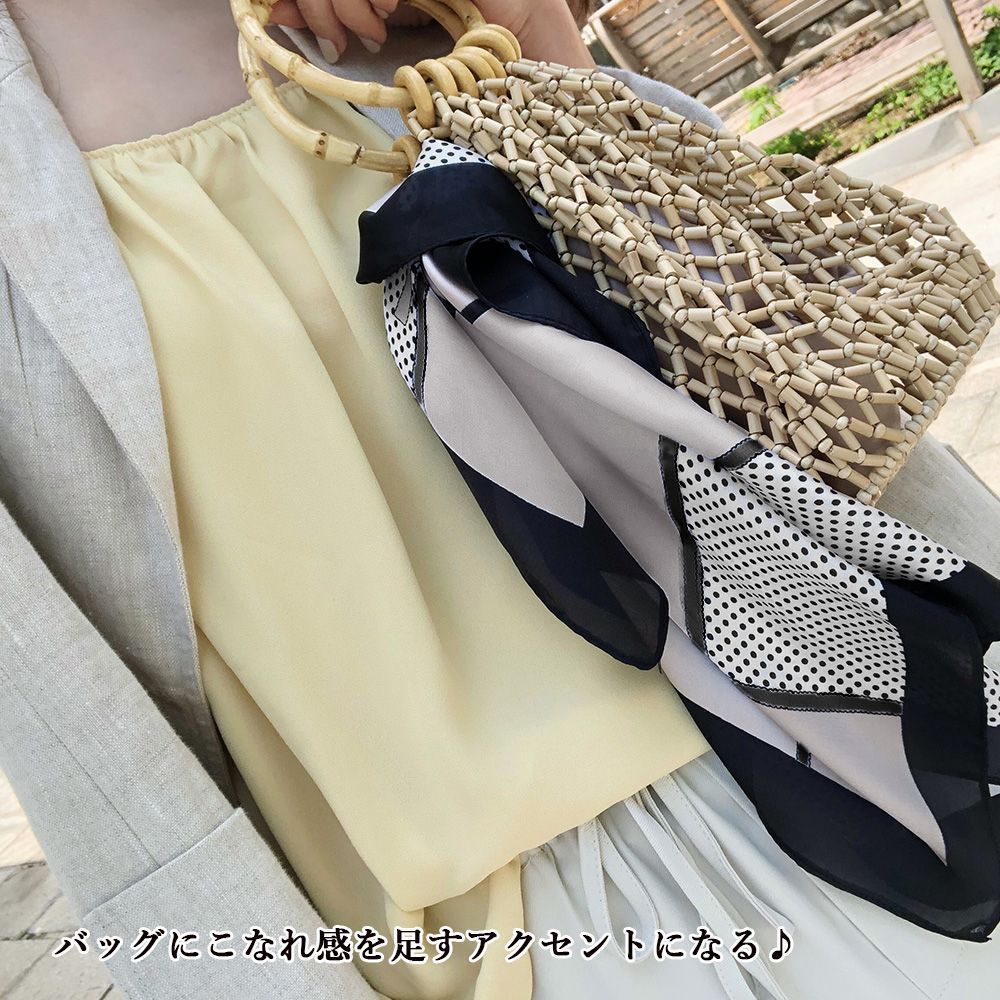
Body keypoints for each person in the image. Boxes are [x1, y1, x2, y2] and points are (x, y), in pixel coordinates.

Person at [1, 2, 998, 998]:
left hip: (857, 703)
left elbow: (732, 323)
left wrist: (514, 20)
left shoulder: (391, 30)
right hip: (510, 930)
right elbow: (89, 739)